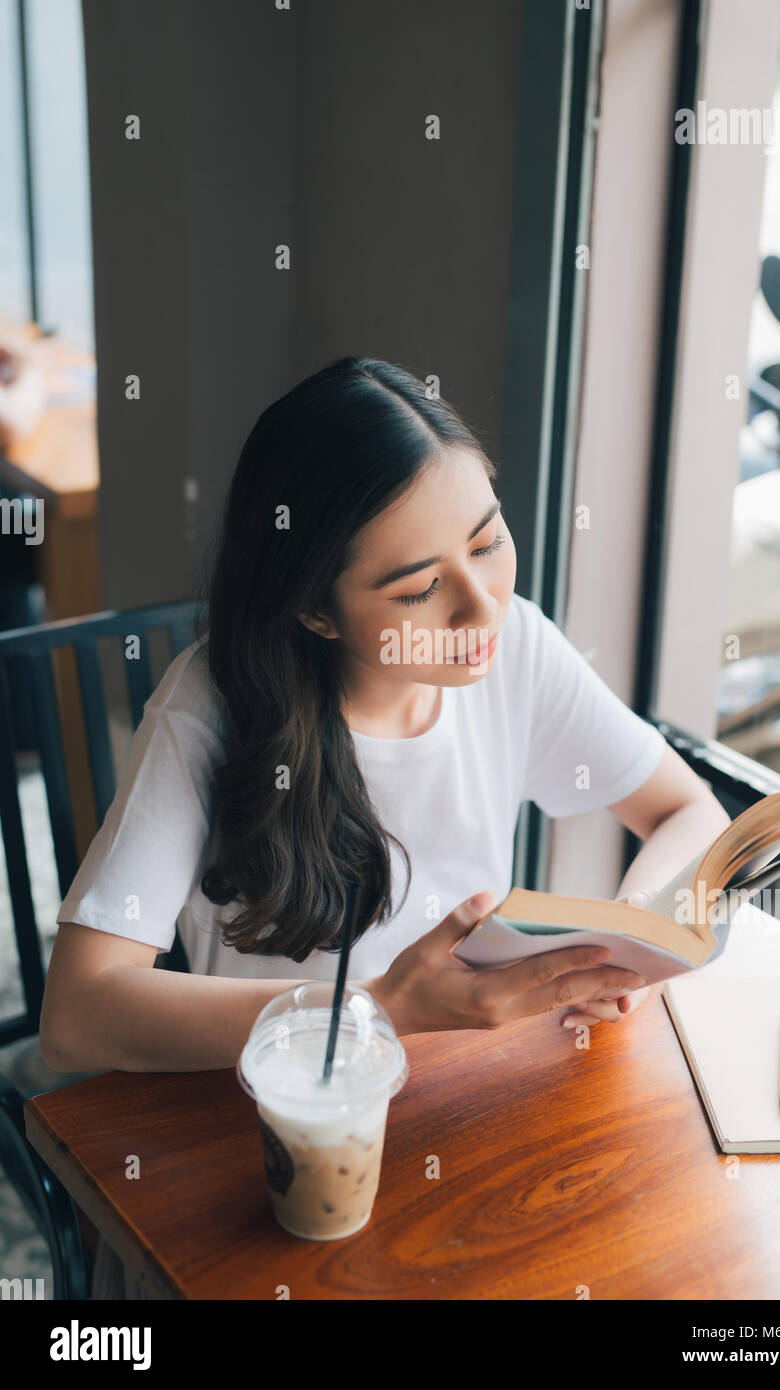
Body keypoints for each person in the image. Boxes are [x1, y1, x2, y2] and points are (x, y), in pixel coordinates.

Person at [39, 356, 730, 1297]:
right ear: (316, 611)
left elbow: (687, 809)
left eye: (487, 543)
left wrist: (624, 942)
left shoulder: (511, 645)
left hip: (463, 1104)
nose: (481, 607)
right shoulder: (210, 710)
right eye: (417, 590)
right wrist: (379, 1010)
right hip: (263, 1136)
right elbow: (79, 1016)